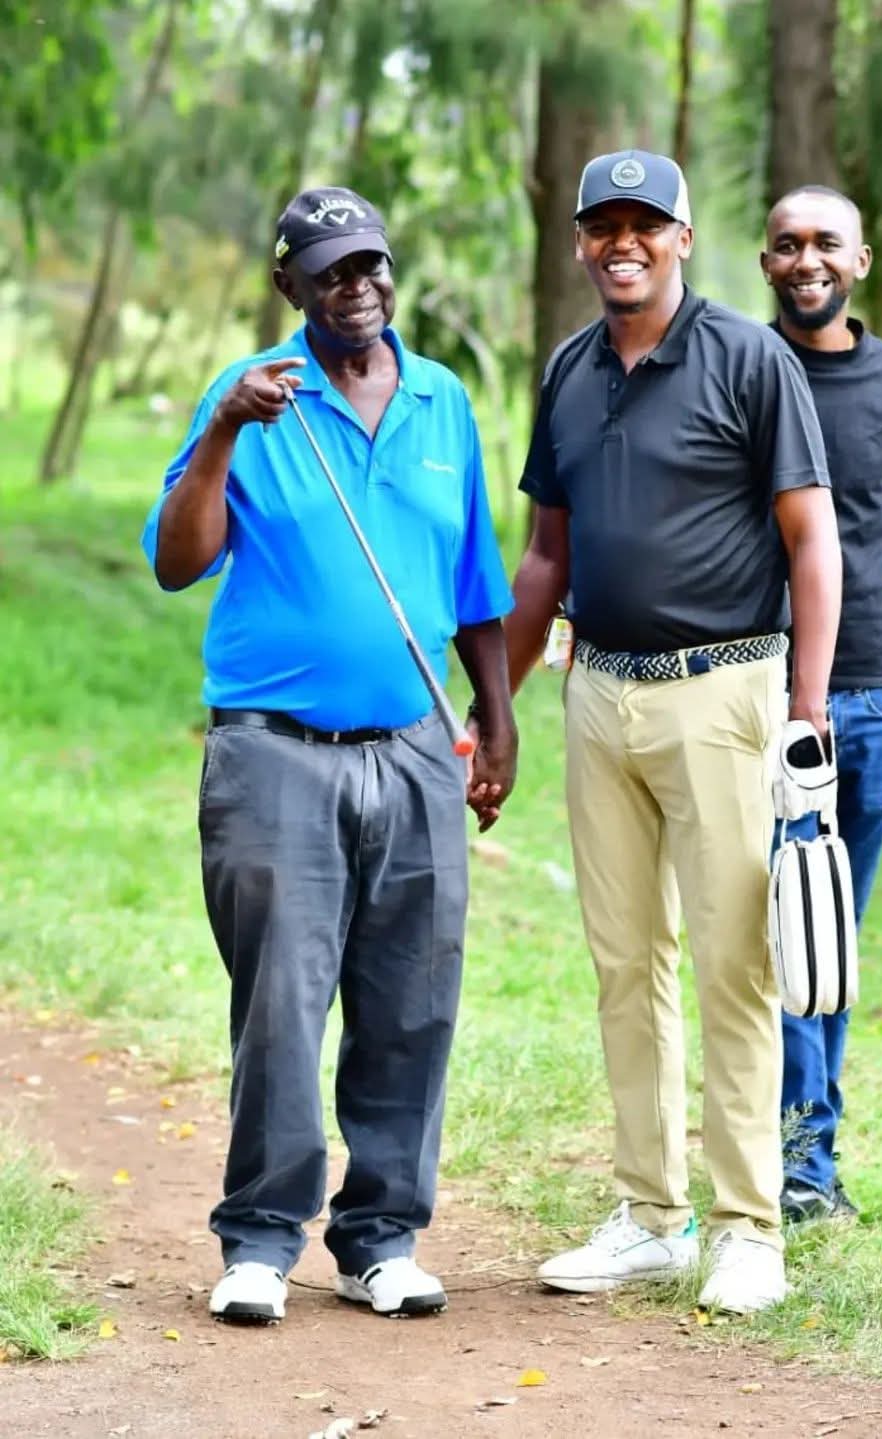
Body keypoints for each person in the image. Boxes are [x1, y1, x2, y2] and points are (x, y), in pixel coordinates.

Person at [141, 187, 517, 1324]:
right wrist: (222, 430)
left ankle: (379, 1237)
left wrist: (495, 717)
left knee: (412, 998)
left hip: (412, 751)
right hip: (276, 754)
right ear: (289, 286)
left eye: (370, 265)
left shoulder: (444, 400)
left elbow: (473, 580)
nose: (356, 285)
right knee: (282, 1004)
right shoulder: (256, 394)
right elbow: (175, 557)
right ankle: (259, 1239)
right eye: (329, 270)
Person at [503, 150, 842, 1313]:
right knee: (623, 961)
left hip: (725, 690)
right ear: (584, 241)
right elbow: (546, 555)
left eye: (646, 224)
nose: (622, 243)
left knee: (736, 960)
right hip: (597, 690)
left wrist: (807, 712)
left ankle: (750, 1227)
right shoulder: (567, 369)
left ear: (684, 239)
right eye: (604, 225)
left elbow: (813, 540)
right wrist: (490, 710)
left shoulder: (749, 358)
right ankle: (652, 1214)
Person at [760, 186, 882, 1222]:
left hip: (868, 688)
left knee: (833, 928)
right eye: (787, 244)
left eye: (825, 242)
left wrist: (844, 636)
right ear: (763, 262)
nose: (807, 259)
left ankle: (806, 1155)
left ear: (861, 260)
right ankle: (798, 1159)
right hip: (756, 684)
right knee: (784, 923)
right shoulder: (742, 368)